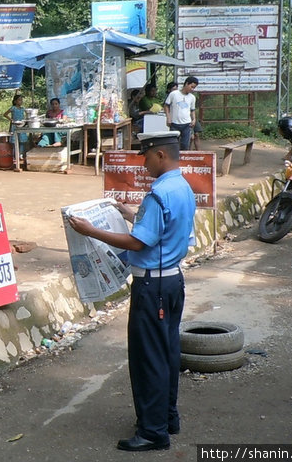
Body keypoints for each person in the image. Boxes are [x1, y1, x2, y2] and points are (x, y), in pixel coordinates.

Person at [67, 131, 196, 452]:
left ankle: (153, 432)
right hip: (172, 281)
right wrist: (128, 214)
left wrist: (91, 230)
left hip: (153, 287)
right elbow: (162, 226)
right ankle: (167, 417)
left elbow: (139, 242)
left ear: (161, 155)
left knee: (148, 358)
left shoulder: (158, 194)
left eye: (147, 156)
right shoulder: (182, 186)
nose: (144, 162)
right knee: (166, 352)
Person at [164, 76, 197, 150]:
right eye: (191, 87)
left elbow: (192, 110)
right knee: (173, 145)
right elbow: (166, 106)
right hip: (174, 123)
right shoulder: (174, 94)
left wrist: (194, 119)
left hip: (186, 124)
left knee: (185, 145)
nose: (192, 89)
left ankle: (183, 159)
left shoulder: (192, 97)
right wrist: (168, 118)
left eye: (194, 88)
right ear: (186, 84)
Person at [3, 94, 27, 160]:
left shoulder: (23, 109)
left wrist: (25, 120)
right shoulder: (13, 108)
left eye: (21, 100)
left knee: (22, 141)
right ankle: (14, 155)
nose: (21, 101)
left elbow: (26, 115)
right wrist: (11, 120)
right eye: (19, 100)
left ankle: (21, 155)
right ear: (15, 101)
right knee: (14, 141)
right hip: (14, 126)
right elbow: (5, 114)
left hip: (21, 125)